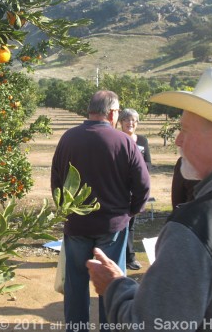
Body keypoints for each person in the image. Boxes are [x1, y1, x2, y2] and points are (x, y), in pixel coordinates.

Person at [87, 67, 212, 331]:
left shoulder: (197, 226)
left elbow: (152, 325)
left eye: (185, 130)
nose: (177, 140)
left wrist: (115, 287)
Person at [51, 90, 150, 332]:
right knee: (112, 284)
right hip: (112, 227)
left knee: (75, 285)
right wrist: (130, 212)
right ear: (113, 112)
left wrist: (66, 211)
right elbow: (143, 186)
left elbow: (56, 181)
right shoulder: (125, 142)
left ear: (90, 110)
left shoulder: (68, 139)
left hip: (76, 226)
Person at [118, 108, 151, 270]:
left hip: (135, 190)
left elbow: (148, 164)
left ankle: (130, 257)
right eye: (126, 120)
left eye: (133, 121)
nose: (130, 123)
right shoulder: (117, 139)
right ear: (120, 122)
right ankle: (117, 256)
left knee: (131, 225)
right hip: (119, 190)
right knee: (119, 223)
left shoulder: (143, 141)